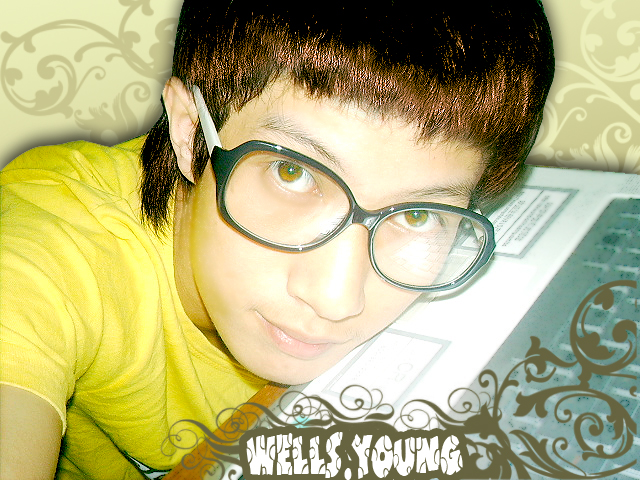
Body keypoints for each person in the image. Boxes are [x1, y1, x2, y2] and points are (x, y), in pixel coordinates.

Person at [0, 0, 555, 478]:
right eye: (293, 173)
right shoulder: (46, 248)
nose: (337, 300)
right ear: (190, 133)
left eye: (416, 214)